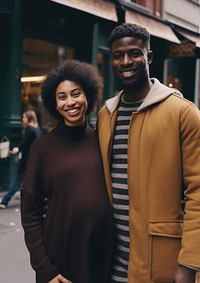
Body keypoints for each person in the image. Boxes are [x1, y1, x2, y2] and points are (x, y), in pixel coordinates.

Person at [97, 23, 200, 283]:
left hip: (162, 263)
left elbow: (198, 191)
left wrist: (190, 263)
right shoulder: (105, 115)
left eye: (134, 53)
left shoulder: (182, 113)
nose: (125, 61)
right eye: (118, 56)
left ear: (149, 57)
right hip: (111, 263)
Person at [20, 59, 113, 283]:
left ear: (88, 96)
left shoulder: (102, 140)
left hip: (103, 256)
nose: (70, 102)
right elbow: (30, 213)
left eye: (76, 93)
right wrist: (45, 269)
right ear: (54, 103)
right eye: (62, 97)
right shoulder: (43, 148)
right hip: (60, 261)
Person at [0, 110, 42, 208]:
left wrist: (17, 149)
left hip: (27, 160)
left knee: (17, 180)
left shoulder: (29, 129)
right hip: (35, 159)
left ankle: (5, 201)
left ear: (29, 118)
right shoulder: (37, 129)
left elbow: (25, 142)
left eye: (24, 117)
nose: (22, 119)